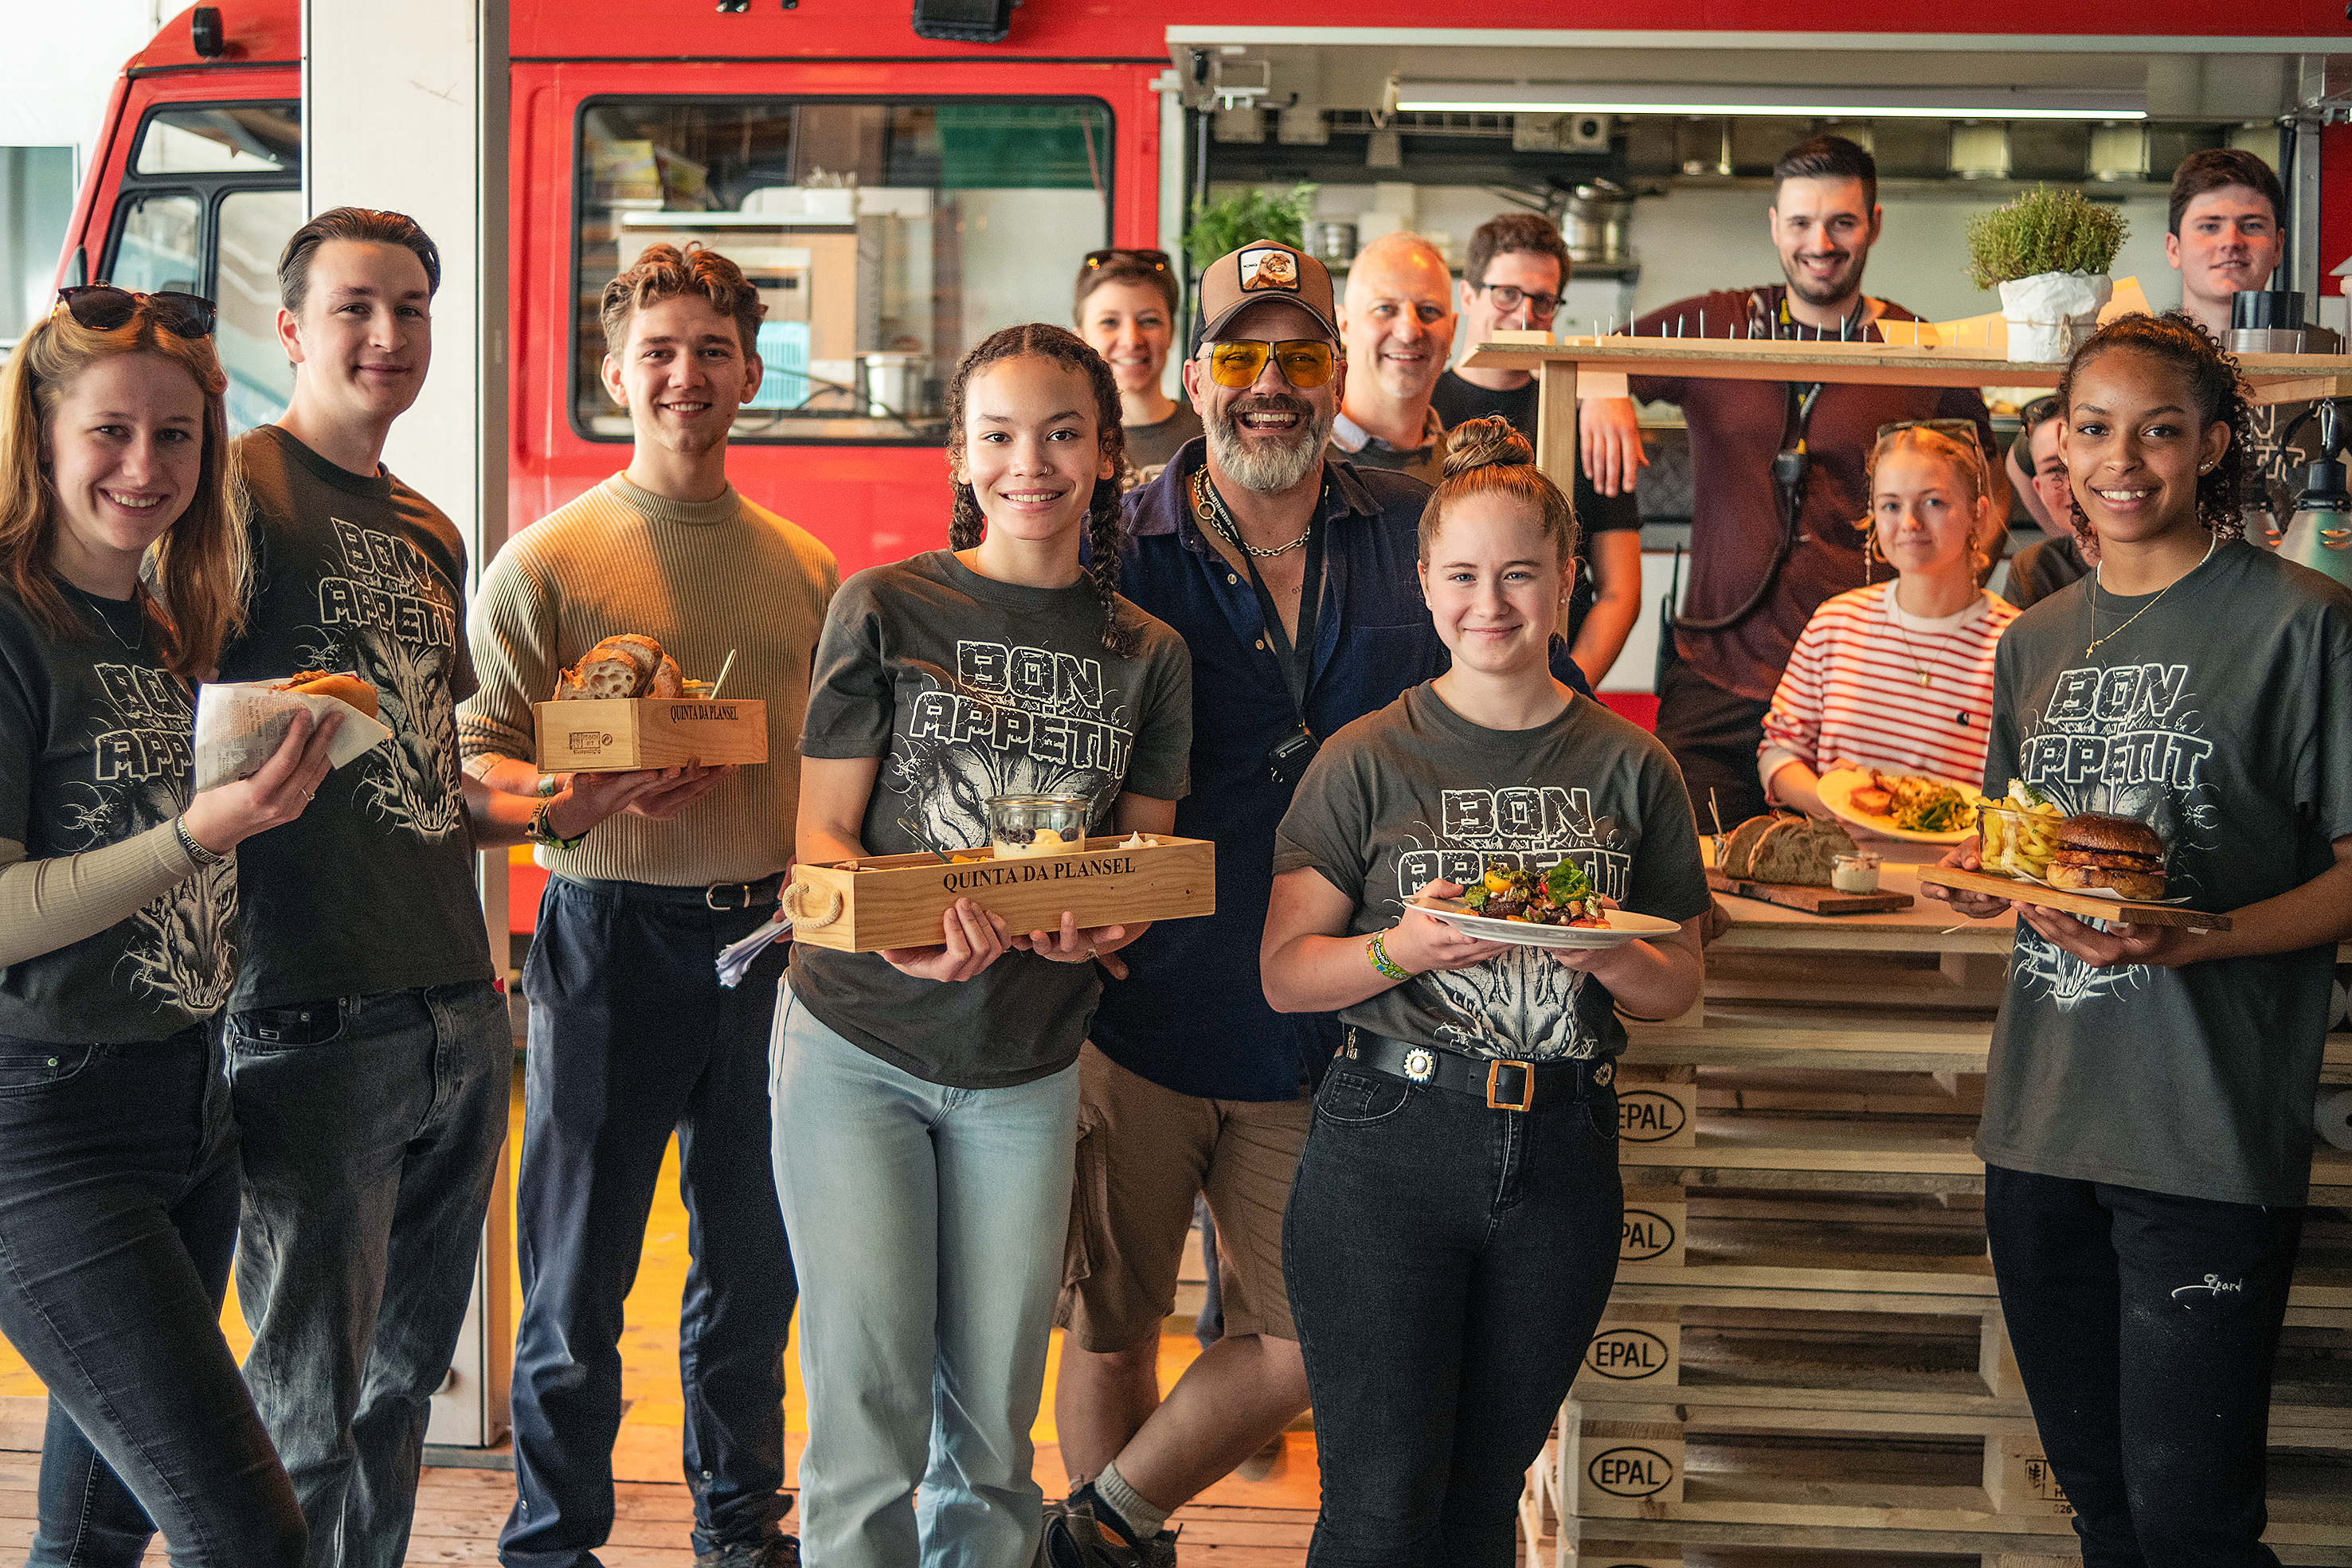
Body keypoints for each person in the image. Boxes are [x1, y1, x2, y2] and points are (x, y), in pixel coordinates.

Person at [1048, 242, 1595, 1568]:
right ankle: (1124, 1551)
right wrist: (1047, 898)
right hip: (1139, 1005)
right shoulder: (1108, 538)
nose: (1271, 386)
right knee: (1112, 1322)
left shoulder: (1418, 524)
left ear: (1335, 372)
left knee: (1310, 1336)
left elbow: (1536, 708)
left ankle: (1093, 1524)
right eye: (1241, 358)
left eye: (1300, 358)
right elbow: (1034, 738)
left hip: (1342, 1018)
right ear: (1192, 378)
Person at [1926, 314, 2352, 1566]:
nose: (2122, 461)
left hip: (2205, 1133)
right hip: (2041, 1130)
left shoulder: (2302, 624)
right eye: (2092, 429)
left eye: (2159, 430)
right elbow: (2024, 850)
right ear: (2055, 446)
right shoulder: (2033, 642)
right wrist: (1982, 879)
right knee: (2106, 1519)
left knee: (2191, 1528)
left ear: (2213, 445)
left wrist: (2204, 937)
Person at [776, 322, 1192, 1568]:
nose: (1033, 462)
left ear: (1108, 455)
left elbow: (1143, 870)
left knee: (995, 1435)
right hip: (858, 1045)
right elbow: (821, 847)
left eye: (1064, 433)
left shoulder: (1148, 654)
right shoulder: (885, 603)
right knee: (870, 1410)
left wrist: (1106, 916)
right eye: (1001, 435)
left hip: (1027, 1065)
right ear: (961, 454)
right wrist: (903, 934)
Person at [1262, 416, 1708, 1567]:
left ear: (1570, 578)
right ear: (1424, 581)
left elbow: (1679, 983)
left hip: (1563, 1150)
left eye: (1520, 573)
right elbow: (1285, 972)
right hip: (1387, 1148)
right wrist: (1401, 951)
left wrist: (1613, 957)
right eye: (1462, 574)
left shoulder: (1632, 764)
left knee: (1483, 1497)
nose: (1491, 602)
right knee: (1379, 1504)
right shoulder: (1365, 756)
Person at [461, 242, 837, 1568]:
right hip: (606, 937)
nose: (686, 373)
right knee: (574, 1276)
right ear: (616, 371)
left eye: (712, 350)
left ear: (749, 373)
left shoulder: (805, 566)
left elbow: (842, 765)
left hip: (769, 943)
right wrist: (576, 797)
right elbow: (474, 761)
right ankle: (552, 1539)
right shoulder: (545, 561)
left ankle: (741, 1531)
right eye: (659, 350)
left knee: (751, 1272)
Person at [0, 286, 340, 1566]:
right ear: (42, 438)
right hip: (43, 1132)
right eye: (110, 433)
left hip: (186, 1112)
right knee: (252, 1537)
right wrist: (205, 830)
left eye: (179, 435)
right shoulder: (9, 625)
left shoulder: (150, 629)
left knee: (95, 1539)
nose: (147, 467)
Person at [209, 206, 516, 1568]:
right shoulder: (231, 495)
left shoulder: (425, 526)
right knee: (302, 1399)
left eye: (409, 306)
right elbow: (182, 745)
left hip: (456, 998)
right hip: (308, 1007)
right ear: (290, 329)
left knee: (403, 1390)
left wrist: (559, 810)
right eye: (354, 307)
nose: (387, 335)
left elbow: (427, 774)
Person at [1577, 134, 1994, 823]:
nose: (1819, 242)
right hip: (1714, 666)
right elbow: (1586, 353)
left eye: (1841, 222)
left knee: (1859, 886)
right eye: (1800, 222)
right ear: (1774, 225)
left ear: (1874, 224)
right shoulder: (1716, 322)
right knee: (1690, 874)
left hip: (1863, 681)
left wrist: (1961, 572)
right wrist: (1601, 384)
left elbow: (1987, 480)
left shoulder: (1921, 349)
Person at [1759, 420, 2018, 828]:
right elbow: (1779, 753)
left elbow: (2030, 789)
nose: (1910, 523)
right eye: (1891, 505)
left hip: (1956, 878)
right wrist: (1837, 806)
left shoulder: (2015, 643)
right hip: (1841, 868)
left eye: (1933, 502)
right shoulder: (1834, 624)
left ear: (1977, 513)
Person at [1431, 212, 1645, 685]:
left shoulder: (1585, 418)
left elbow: (1620, 590)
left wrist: (1566, 689)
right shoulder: (1422, 410)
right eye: (1506, 293)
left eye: (1543, 301)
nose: (1525, 314)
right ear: (1466, 295)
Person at [2163, 147, 2323, 523]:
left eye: (2251, 225)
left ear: (2280, 245)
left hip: (2299, 577)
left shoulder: (2328, 354)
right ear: (2174, 249)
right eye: (2209, 225)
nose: (2231, 240)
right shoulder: (2138, 354)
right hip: (2174, 580)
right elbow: (2031, 459)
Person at [1325, 231, 1454, 483]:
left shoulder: (1468, 473)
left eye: (1429, 310)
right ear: (1343, 326)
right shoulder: (1297, 462)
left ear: (1452, 332)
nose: (1408, 332)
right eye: (1384, 309)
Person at [1074, 248, 1200, 471]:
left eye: (1149, 321)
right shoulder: (1064, 441)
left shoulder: (1211, 434)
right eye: (1109, 322)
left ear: (1172, 332)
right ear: (1080, 338)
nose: (1132, 340)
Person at [2002, 395, 2094, 610]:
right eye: (2054, 469)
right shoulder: (2035, 568)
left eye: (2080, 462)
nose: (2072, 485)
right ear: (2039, 490)